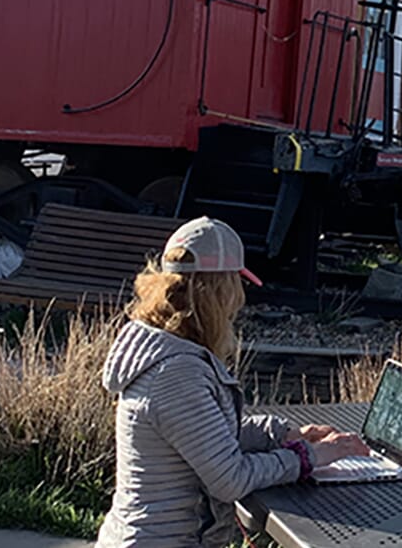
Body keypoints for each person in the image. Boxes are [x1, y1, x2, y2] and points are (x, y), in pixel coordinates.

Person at [96, 216, 369, 548]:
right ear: (220, 293)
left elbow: (207, 435)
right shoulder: (176, 373)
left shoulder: (163, 351)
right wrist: (307, 457)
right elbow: (230, 478)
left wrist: (283, 434)